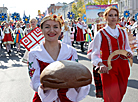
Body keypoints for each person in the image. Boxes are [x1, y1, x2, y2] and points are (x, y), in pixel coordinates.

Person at [28, 14, 90, 102]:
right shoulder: (34, 53)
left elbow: (76, 75)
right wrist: (42, 87)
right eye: (47, 27)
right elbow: (34, 79)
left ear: (61, 30)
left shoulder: (70, 51)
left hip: (67, 97)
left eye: (55, 27)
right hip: (44, 98)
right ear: (41, 30)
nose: (52, 30)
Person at [91, 6, 133, 102]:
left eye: (115, 15)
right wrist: (100, 64)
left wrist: (129, 53)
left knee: (121, 92)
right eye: (110, 15)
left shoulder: (123, 32)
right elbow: (95, 53)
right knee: (112, 96)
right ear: (105, 17)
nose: (113, 17)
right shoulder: (100, 34)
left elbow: (127, 48)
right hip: (108, 68)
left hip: (123, 66)